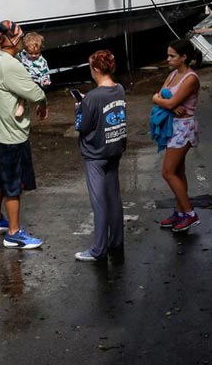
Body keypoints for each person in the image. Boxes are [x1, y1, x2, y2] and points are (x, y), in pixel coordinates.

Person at [0, 20, 49, 249]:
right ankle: (14, 232)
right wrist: (43, 102)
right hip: (10, 135)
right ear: (10, 40)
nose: (22, 40)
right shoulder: (11, 66)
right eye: (19, 37)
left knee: (0, 178)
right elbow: (34, 91)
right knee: (13, 186)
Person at [73, 49, 128, 262]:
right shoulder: (119, 89)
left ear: (96, 69)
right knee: (114, 198)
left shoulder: (93, 97)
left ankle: (98, 249)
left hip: (95, 154)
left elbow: (83, 126)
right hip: (114, 149)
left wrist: (80, 107)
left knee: (99, 202)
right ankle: (116, 242)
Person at [151, 38, 202, 233]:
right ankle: (180, 211)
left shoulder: (190, 79)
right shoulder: (173, 74)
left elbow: (167, 101)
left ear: (184, 57)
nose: (168, 59)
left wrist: (162, 100)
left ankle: (189, 213)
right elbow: (160, 96)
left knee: (168, 172)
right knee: (178, 172)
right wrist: (163, 100)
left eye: (172, 56)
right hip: (173, 126)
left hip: (184, 128)